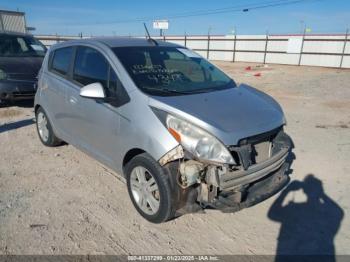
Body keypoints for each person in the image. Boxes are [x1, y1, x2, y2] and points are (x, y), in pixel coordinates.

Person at [268, 174, 344, 262]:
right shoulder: (326, 211)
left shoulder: (293, 209)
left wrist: (287, 191)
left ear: (304, 191)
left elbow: (272, 214)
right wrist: (322, 194)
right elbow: (339, 212)